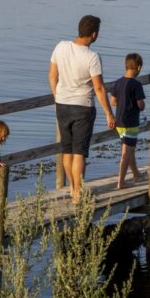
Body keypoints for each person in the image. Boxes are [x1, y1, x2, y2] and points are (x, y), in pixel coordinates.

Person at [49, 15, 114, 202]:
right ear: (94, 34)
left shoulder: (61, 46)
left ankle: (73, 189)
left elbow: (52, 75)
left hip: (62, 105)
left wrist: (57, 97)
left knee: (67, 150)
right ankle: (78, 193)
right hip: (83, 107)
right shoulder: (92, 57)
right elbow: (99, 88)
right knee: (79, 152)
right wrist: (109, 113)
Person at [109, 53, 146, 189]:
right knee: (126, 152)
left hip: (119, 122)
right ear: (138, 67)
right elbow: (140, 105)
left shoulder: (118, 82)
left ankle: (136, 174)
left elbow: (113, 101)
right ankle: (121, 182)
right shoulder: (136, 84)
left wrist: (123, 103)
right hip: (131, 123)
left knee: (129, 149)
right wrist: (141, 106)